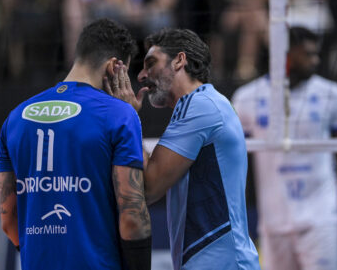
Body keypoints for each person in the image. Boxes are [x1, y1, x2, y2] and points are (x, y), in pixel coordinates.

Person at [0, 18, 151, 270]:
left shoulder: (15, 117)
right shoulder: (119, 114)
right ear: (114, 67)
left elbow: (8, 220)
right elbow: (132, 216)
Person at [105, 28, 260, 270]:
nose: (143, 75)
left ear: (179, 60)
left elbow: (149, 187)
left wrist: (129, 117)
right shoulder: (199, 104)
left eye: (151, 63)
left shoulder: (200, 105)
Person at [232, 26, 337, 270]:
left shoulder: (331, 94)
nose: (316, 60)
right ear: (286, 55)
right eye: (308, 54)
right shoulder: (247, 98)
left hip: (321, 218)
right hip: (273, 222)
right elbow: (230, 162)